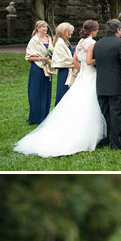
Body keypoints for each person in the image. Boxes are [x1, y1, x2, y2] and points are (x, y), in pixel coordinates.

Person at [15, 21, 106, 159]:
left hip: (82, 76)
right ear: (94, 30)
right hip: (90, 75)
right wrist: (100, 60)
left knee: (77, 103)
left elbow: (75, 60)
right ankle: (88, 136)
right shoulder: (92, 43)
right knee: (90, 104)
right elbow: (88, 61)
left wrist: (81, 70)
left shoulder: (81, 42)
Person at [87, 19, 121, 153]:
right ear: (118, 30)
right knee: (117, 114)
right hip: (117, 85)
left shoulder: (98, 43)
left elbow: (97, 62)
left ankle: (105, 139)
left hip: (101, 84)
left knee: (105, 114)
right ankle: (116, 142)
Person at [22, 18, 53, 128]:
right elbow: (29, 58)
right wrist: (41, 59)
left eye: (46, 27)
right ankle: (35, 117)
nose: (45, 29)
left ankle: (44, 116)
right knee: (36, 93)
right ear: (38, 28)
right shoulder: (34, 41)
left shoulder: (49, 39)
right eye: (43, 27)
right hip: (37, 69)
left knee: (46, 92)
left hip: (48, 69)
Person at [50, 20, 75, 104]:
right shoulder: (59, 43)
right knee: (63, 94)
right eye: (69, 31)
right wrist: (76, 63)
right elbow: (61, 60)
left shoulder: (66, 42)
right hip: (65, 73)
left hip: (70, 71)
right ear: (64, 32)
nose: (71, 32)